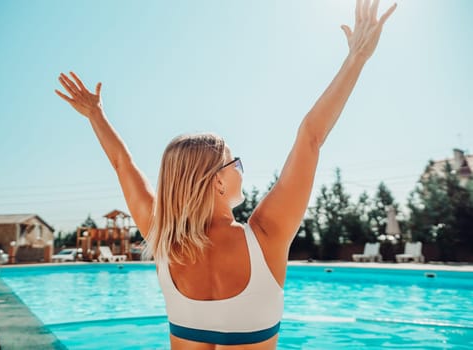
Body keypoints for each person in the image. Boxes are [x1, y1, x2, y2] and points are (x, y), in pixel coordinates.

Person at [55, 1, 396, 348]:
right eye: (236, 164)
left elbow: (121, 165)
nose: (242, 173)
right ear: (218, 180)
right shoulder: (266, 235)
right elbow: (311, 137)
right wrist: (357, 59)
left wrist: (96, 115)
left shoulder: (164, 241)